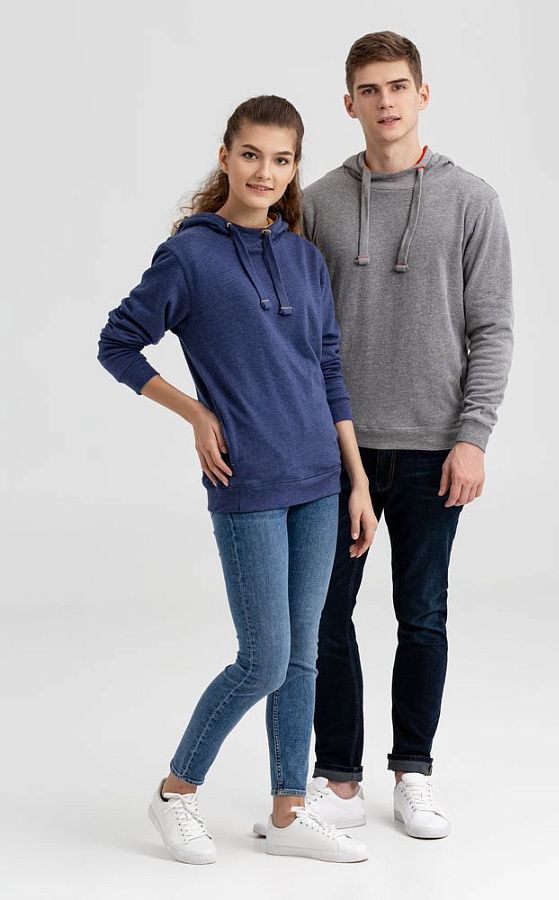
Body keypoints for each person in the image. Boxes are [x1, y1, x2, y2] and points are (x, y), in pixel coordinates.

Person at [96, 95, 377, 865]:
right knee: (263, 658)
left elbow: (328, 370)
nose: (265, 171)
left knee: (303, 656)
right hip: (248, 481)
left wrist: (356, 479)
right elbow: (118, 342)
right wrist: (195, 413)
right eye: (251, 154)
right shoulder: (190, 256)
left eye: (281, 159)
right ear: (226, 156)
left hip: (320, 480)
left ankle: (288, 812)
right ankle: (175, 792)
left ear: (294, 168)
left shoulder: (303, 257)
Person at [300, 31, 514, 839]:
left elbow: (492, 328)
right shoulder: (317, 204)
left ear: (423, 95)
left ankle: (412, 773)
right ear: (348, 103)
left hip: (433, 445)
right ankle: (339, 778)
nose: (385, 102)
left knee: (421, 614)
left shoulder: (472, 200)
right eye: (369, 89)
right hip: (337, 449)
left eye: (398, 86)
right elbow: (296, 332)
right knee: (325, 615)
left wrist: (474, 436)